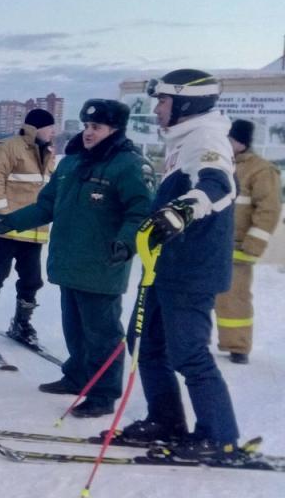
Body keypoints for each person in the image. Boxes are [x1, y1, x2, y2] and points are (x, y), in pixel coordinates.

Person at [0, 100, 154, 418]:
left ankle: (103, 393)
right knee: (75, 328)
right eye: (86, 126)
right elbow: (46, 205)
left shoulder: (129, 165)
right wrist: (11, 221)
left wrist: (126, 244)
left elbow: (141, 211)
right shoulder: (71, 163)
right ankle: (77, 376)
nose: (89, 132)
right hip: (70, 261)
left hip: (103, 264)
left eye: (96, 127)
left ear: (115, 130)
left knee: (102, 333)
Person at [119, 69, 242, 460]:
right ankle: (167, 421)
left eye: (163, 101)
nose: (156, 110)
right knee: (146, 343)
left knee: (188, 352)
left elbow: (218, 183)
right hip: (167, 265)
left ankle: (218, 436)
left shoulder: (205, 138)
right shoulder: (182, 139)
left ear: (186, 103)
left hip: (192, 268)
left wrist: (186, 209)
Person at [0, 108, 57, 345]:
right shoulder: (8, 148)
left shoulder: (48, 153)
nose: (54, 131)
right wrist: (3, 213)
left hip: (34, 229)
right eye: (51, 127)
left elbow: (49, 188)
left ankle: (21, 323)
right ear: (38, 127)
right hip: (6, 226)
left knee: (32, 279)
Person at [215, 119, 281, 363]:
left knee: (234, 299)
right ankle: (190, 344)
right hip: (210, 246)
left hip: (237, 248)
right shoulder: (219, 165)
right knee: (197, 297)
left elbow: (268, 211)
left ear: (241, 142)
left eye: (230, 139)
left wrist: (253, 245)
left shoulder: (261, 170)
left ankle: (238, 347)